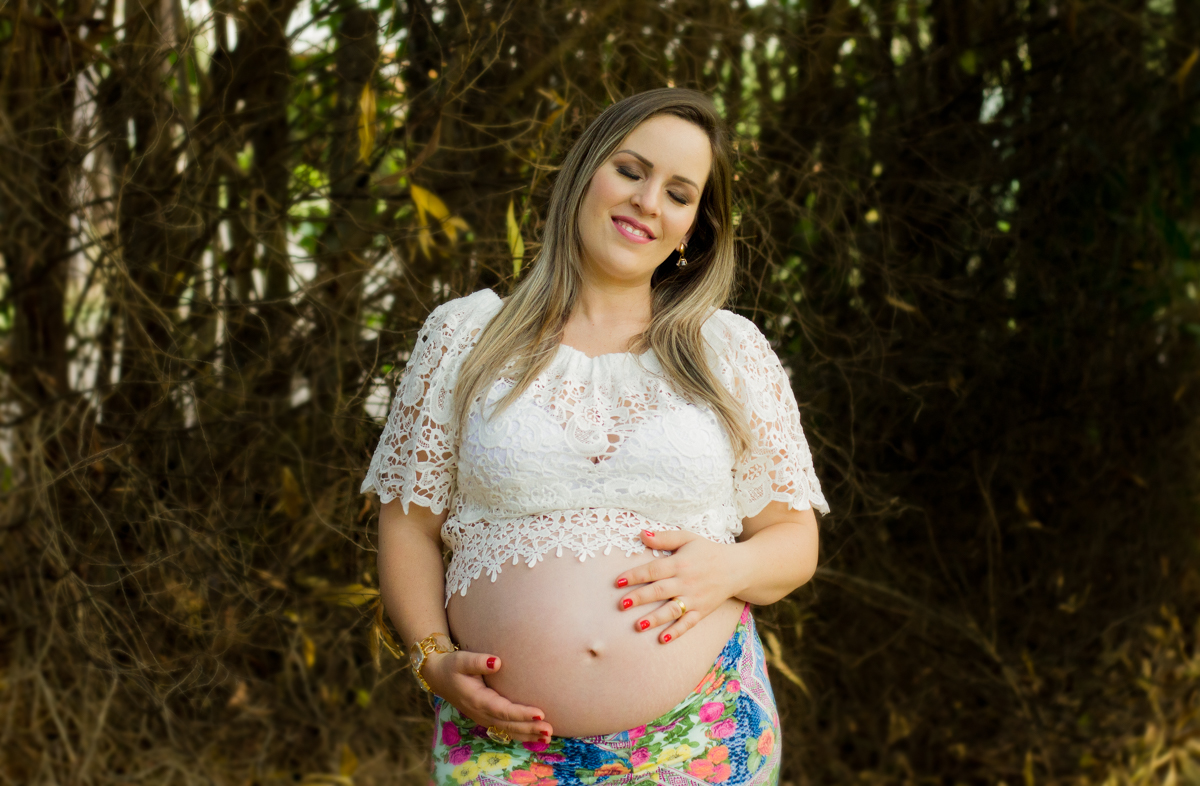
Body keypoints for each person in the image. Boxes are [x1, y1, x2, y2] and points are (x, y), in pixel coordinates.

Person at [360, 87, 828, 786]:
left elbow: (794, 539)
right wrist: (431, 658)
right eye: (631, 170)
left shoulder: (729, 351)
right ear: (585, 174)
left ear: (694, 229)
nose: (647, 202)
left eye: (678, 192)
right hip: (507, 745)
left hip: (702, 737)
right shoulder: (464, 336)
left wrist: (730, 569)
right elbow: (407, 527)